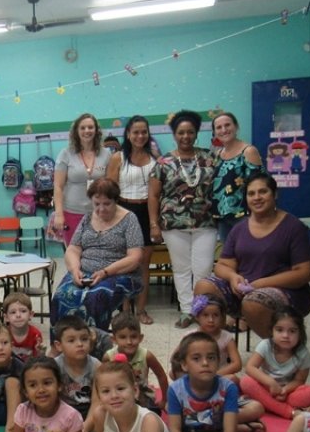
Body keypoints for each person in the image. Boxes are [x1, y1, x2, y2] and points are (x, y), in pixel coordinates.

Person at [194, 172, 310, 339]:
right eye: (251, 193)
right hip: (243, 291)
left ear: (275, 194)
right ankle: (216, 345)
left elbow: (304, 273)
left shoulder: (293, 227)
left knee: (253, 302)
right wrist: (233, 277)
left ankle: (277, 353)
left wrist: (262, 284)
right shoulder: (239, 228)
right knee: (203, 287)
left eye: (263, 192)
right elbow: (222, 266)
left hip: (288, 293)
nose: (257, 197)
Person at [148, 109, 219, 328]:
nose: (185, 136)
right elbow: (153, 195)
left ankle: (201, 309)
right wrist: (154, 225)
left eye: (190, 132)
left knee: (204, 268)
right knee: (181, 268)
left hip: (206, 222)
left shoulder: (210, 158)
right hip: (173, 224)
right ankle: (187, 311)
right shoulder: (163, 162)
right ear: (174, 135)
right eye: (181, 132)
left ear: (197, 133)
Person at [167, 332, 258, 432]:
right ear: (184, 365)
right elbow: (174, 430)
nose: (205, 363)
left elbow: (230, 430)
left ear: (218, 362)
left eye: (211, 358)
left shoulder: (228, 388)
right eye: (196, 358)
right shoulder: (175, 390)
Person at [51, 177, 143, 332]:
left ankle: (95, 344)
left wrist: (105, 272)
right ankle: (62, 345)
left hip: (118, 273)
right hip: (85, 272)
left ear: (116, 201)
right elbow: (73, 248)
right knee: (61, 296)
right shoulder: (87, 218)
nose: (101, 209)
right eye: (96, 204)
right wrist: (74, 270)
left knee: (95, 298)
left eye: (107, 204)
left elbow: (135, 257)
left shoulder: (129, 219)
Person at [181, 294, 265, 432]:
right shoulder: (190, 337)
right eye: (205, 315)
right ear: (197, 316)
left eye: (215, 315)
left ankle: (212, 422)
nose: (211, 320)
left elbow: (237, 364)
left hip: (218, 385)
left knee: (256, 406)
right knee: (174, 408)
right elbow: (176, 363)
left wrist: (214, 375)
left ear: (223, 317)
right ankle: (237, 427)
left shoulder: (226, 337)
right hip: (196, 388)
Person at [106, 115, 158, 324]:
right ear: (128, 134)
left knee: (144, 263)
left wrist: (155, 222)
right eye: (135, 132)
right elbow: (109, 190)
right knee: (125, 262)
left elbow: (156, 191)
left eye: (143, 131)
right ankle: (125, 308)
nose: (140, 136)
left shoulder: (154, 157)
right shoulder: (118, 158)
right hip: (123, 210)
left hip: (147, 210)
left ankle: (141, 310)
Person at [242, 307, 310, 419]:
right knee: (246, 382)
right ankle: (289, 412)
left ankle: (268, 403)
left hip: (288, 393)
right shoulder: (266, 345)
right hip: (266, 387)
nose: (285, 335)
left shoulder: (303, 354)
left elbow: (299, 380)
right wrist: (271, 383)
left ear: (300, 333)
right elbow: (250, 368)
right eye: (280, 330)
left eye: (292, 331)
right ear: (272, 331)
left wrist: (284, 390)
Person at [53, 113, 113, 246]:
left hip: (99, 213)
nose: (87, 131)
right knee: (74, 253)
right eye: (83, 128)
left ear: (96, 130)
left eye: (90, 127)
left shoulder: (106, 154)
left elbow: (110, 186)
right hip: (72, 212)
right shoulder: (66, 154)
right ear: (76, 131)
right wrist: (58, 214)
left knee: (97, 253)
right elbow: (58, 186)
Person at [210, 111, 264, 242]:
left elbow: (259, 185)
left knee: (248, 256)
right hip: (223, 217)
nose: (224, 130)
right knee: (230, 258)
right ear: (215, 132)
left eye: (227, 125)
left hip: (245, 216)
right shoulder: (218, 154)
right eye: (219, 127)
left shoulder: (249, 151)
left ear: (236, 127)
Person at [103, 313, 169, 412]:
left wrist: (164, 400)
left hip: (143, 397)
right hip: (118, 396)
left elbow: (161, 376)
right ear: (114, 339)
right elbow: (101, 381)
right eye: (123, 337)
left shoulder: (146, 355)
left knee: (153, 415)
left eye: (133, 336)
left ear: (141, 337)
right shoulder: (109, 357)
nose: (129, 342)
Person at [52, 315, 101, 419]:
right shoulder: (55, 366)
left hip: (89, 410)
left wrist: (86, 427)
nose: (79, 344)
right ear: (59, 345)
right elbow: (51, 400)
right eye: (71, 340)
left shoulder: (96, 366)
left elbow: (97, 402)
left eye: (84, 339)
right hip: (63, 411)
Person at [2, 291, 45, 362]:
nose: (18, 315)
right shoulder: (3, 334)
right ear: (6, 317)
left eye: (23, 311)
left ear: (31, 314)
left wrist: (39, 351)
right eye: (13, 312)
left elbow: (39, 359)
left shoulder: (36, 334)